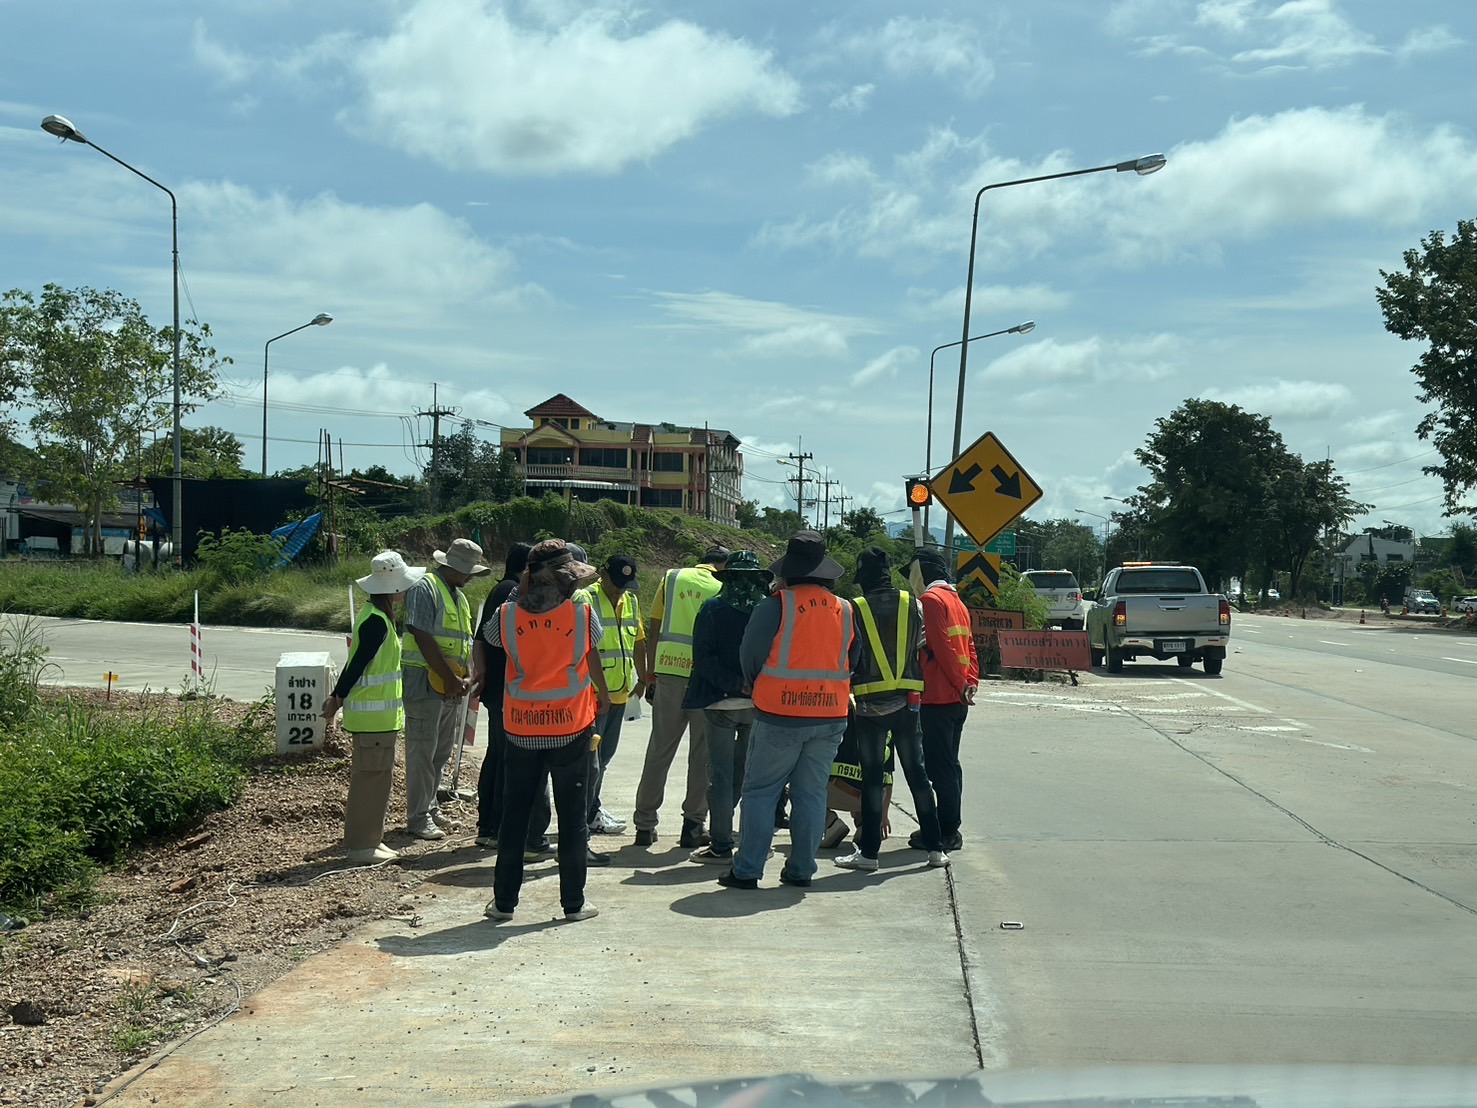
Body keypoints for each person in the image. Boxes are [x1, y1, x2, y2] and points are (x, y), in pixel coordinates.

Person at [720, 531, 859, 890]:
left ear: (788, 570)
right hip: (830, 715)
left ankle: (747, 870)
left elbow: (750, 655)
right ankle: (801, 870)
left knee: (761, 792)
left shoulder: (776, 605)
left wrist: (756, 682)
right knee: (811, 794)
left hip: (780, 713)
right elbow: (853, 658)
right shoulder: (845, 609)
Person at [484, 540, 609, 923]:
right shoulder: (582, 615)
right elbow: (593, 645)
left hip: (521, 729)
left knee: (515, 817)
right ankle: (574, 904)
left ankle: (504, 903)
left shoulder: (506, 616)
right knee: (572, 819)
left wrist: (520, 593)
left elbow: (491, 638)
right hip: (571, 727)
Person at [835, 546, 950, 871]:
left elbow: (849, 655)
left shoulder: (854, 608)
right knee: (918, 775)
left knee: (872, 779)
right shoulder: (913, 604)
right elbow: (922, 646)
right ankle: (936, 850)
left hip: (869, 706)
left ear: (864, 579)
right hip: (908, 704)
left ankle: (869, 854)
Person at [323, 550, 425, 863]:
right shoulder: (376, 622)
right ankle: (361, 846)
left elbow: (357, 662)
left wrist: (338, 697)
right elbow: (356, 665)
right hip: (373, 720)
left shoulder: (377, 617)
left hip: (380, 719)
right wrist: (336, 699)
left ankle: (371, 840)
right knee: (370, 781)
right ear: (392, 587)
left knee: (377, 781)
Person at [632, 545, 729, 847]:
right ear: (723, 567)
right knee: (701, 756)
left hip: (669, 673)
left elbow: (655, 628)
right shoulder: (723, 587)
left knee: (659, 750)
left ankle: (644, 825)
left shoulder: (672, 578)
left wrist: (651, 674)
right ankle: (693, 826)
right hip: (704, 680)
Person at [683, 550, 771, 864]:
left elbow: (703, 658)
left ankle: (721, 843)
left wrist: (735, 683)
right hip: (758, 704)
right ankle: (752, 843)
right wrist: (754, 685)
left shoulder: (712, 608)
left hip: (719, 702)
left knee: (719, 776)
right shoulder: (767, 609)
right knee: (751, 777)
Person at [401, 537, 489, 840]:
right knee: (422, 751)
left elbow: (461, 643)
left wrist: (464, 677)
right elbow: (421, 634)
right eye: (468, 571)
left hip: (450, 685)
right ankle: (418, 817)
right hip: (425, 681)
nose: (470, 578)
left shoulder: (458, 597)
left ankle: (429, 806)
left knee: (439, 751)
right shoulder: (425, 588)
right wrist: (450, 678)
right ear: (452, 566)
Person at [472, 542, 552, 855]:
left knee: (496, 755)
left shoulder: (500, 589)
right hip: (509, 689)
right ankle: (496, 826)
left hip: (497, 687)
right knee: (506, 759)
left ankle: (488, 826)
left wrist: (481, 673)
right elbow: (490, 636)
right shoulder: (512, 593)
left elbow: (480, 638)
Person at [908, 547, 979, 854]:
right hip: (956, 699)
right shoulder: (956, 601)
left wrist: (962, 684)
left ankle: (947, 830)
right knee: (950, 764)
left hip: (937, 697)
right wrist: (970, 683)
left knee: (940, 768)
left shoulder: (931, 600)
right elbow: (970, 647)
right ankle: (946, 825)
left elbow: (941, 647)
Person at [581, 555, 643, 839]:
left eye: (625, 586)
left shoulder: (630, 601)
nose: (620, 591)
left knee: (603, 760)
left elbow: (638, 641)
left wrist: (642, 677)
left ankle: (592, 811)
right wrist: (601, 692)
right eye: (616, 585)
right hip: (593, 695)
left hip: (620, 694)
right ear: (603, 575)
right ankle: (585, 815)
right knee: (589, 762)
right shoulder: (585, 599)